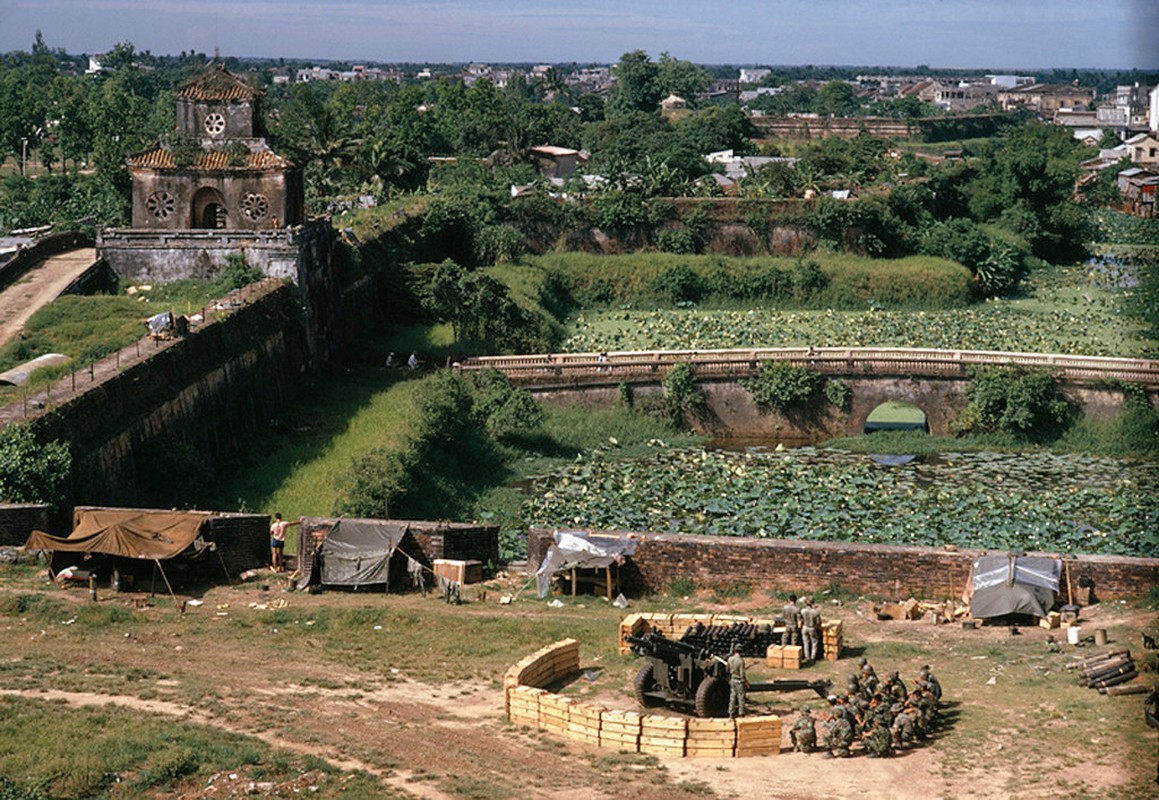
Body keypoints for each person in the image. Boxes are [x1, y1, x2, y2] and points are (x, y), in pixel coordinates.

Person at [727, 642, 747, 718]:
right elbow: (742, 674)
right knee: (741, 697)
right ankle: (741, 713)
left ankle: (731, 713)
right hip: (739, 681)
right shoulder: (741, 661)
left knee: (732, 697)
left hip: (732, 680)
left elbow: (727, 670)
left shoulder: (730, 659)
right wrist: (744, 681)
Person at [800, 597, 822, 662]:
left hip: (805, 627)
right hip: (812, 628)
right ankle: (813, 657)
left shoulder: (802, 611)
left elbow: (800, 619)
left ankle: (807, 657)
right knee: (814, 642)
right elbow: (818, 622)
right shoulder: (815, 612)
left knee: (805, 642)